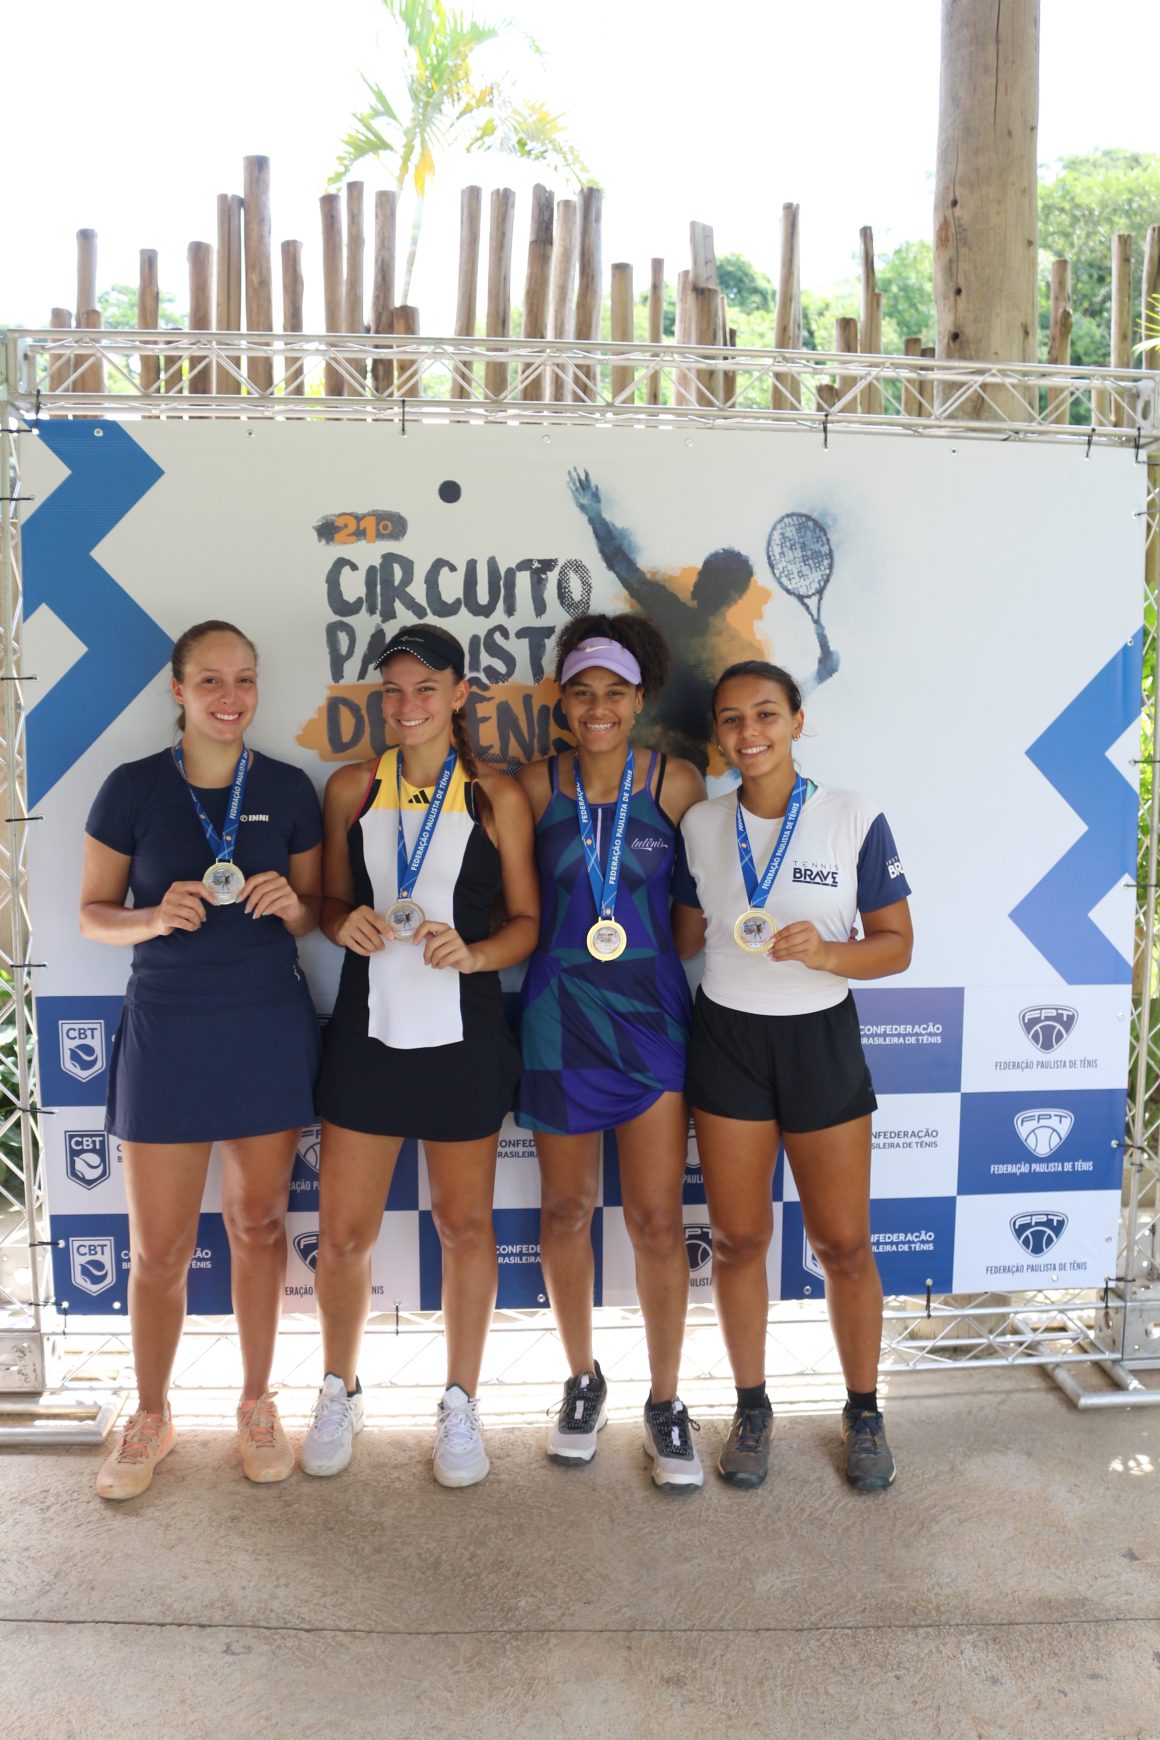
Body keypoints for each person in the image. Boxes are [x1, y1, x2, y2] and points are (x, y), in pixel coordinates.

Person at [79, 621, 323, 1499]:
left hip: (264, 1025)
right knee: (160, 1250)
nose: (230, 697)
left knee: (257, 1225)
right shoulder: (132, 787)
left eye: (245, 679)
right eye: (211, 681)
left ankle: (257, 1403)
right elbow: (91, 914)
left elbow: (315, 913)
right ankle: (152, 1415)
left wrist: (293, 904)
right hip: (168, 1032)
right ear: (178, 691)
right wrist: (152, 916)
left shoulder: (288, 787)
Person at [302, 623, 538, 1488]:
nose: (408, 705)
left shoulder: (497, 795)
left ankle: (462, 1401)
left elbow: (527, 924)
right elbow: (328, 903)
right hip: (366, 1037)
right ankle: (340, 1388)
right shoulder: (352, 786)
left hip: (465, 1039)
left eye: (426, 688)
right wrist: (343, 924)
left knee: (464, 1229)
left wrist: (476, 954)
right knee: (343, 1235)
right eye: (394, 690)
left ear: (460, 694)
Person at [675, 660, 913, 1493]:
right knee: (739, 1240)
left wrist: (830, 952)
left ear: (798, 721)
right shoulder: (700, 823)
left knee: (843, 1244)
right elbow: (683, 936)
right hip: (727, 1039)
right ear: (718, 734)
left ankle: (864, 1412)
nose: (750, 733)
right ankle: (751, 1407)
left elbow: (897, 945)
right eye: (732, 719)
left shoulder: (852, 815)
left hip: (820, 1039)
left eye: (767, 714)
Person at [515, 614, 708, 1488]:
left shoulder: (676, 782)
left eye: (615, 694)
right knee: (565, 1210)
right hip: (557, 1016)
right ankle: (583, 1380)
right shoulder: (532, 785)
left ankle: (666, 1402)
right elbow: (511, 904)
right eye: (583, 692)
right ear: (562, 701)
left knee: (658, 1220)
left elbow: (695, 918)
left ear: (639, 701)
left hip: (651, 1017)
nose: (598, 708)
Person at [566, 467, 768, 770]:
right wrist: (595, 516)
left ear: (733, 598)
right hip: (637, 758)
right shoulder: (671, 610)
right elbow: (622, 566)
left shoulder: (733, 655)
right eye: (709, 578)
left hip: (683, 766)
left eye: (722, 585)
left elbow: (766, 714)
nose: (710, 588)